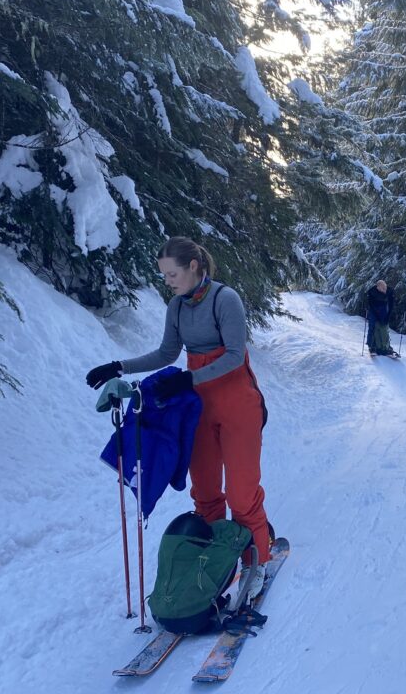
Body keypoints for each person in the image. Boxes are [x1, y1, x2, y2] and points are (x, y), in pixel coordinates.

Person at [86, 237, 271, 599]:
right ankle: (218, 558)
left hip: (238, 403)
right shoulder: (177, 306)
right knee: (204, 490)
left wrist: (192, 378)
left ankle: (257, 559)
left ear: (194, 267)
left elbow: (235, 355)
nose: (167, 280)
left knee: (241, 491)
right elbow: (167, 353)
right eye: (163, 275)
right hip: (198, 408)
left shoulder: (224, 299)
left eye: (172, 273)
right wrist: (119, 367)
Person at [365, 279, 396, 356]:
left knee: (385, 327)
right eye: (382, 289)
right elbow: (371, 305)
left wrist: (388, 316)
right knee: (372, 326)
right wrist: (377, 316)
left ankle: (386, 346)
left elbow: (391, 304)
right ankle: (371, 346)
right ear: (377, 287)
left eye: (385, 288)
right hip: (374, 310)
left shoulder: (389, 291)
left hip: (384, 309)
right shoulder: (372, 292)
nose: (384, 290)